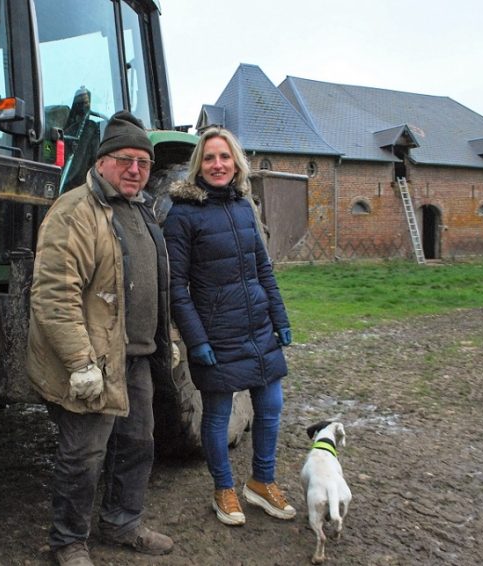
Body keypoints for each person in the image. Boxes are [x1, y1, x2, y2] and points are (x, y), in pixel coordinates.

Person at [27, 110, 176, 566]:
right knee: (83, 456)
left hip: (135, 355)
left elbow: (156, 281)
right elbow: (54, 296)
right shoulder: (75, 211)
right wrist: (79, 363)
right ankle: (69, 542)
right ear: (103, 161)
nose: (135, 170)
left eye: (144, 163)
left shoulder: (142, 210)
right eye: (125, 160)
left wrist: (162, 341)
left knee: (137, 444)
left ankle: (121, 523)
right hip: (93, 360)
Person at [162, 127, 295, 527]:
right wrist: (195, 338)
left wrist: (280, 317)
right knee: (217, 414)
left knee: (270, 405)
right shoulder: (183, 214)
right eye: (209, 158)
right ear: (198, 165)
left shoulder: (242, 207)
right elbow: (175, 286)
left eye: (224, 157)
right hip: (216, 332)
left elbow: (263, 270)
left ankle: (261, 481)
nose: (217, 165)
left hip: (256, 326)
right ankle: (224, 488)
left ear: (236, 162)